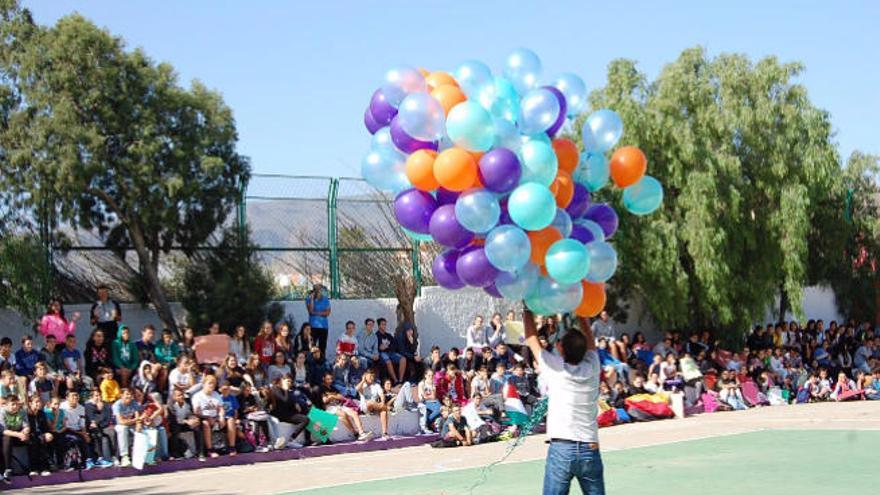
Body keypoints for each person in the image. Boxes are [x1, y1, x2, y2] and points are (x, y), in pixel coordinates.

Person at [523, 306, 604, 495]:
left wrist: (527, 308)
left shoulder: (555, 368)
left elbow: (530, 338)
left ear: (560, 348)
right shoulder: (593, 365)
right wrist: (582, 310)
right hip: (589, 447)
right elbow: (590, 341)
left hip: (562, 448)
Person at [318, 372, 372, 441]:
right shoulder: (321, 388)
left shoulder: (333, 387)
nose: (330, 381)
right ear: (324, 379)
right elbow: (325, 400)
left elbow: (342, 397)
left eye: (331, 379)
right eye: (328, 379)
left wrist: (332, 396)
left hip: (339, 405)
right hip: (330, 407)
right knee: (343, 414)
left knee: (354, 413)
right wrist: (335, 397)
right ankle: (355, 433)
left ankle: (362, 433)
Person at [192, 375, 236, 457]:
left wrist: (221, 417)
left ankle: (232, 447)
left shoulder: (216, 394)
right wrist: (208, 418)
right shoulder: (197, 396)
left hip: (216, 417)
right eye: (210, 383)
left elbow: (221, 408)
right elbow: (196, 412)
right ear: (204, 384)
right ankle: (210, 450)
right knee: (205, 424)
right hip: (204, 418)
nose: (212, 385)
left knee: (230, 420)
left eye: (214, 384)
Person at [0, 395, 37, 482]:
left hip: (19, 435)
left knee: (34, 439)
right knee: (7, 439)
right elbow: (3, 431)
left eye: (17, 404)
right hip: (7, 436)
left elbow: (26, 425)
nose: (15, 407)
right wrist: (18, 434)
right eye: (13, 404)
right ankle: (7, 469)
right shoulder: (2, 412)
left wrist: (25, 432)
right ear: (6, 405)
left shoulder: (22, 411)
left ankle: (34, 468)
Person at [167, 388, 203, 459]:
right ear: (174, 397)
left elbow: (190, 413)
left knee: (197, 427)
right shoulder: (171, 404)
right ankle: (175, 453)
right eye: (179, 395)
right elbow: (174, 419)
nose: (181, 397)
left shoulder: (187, 402)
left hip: (186, 423)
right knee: (175, 429)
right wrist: (187, 421)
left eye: (182, 395)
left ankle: (200, 451)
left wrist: (194, 419)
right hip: (175, 424)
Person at [84, 389, 117, 467]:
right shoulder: (88, 406)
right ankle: (99, 459)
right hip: (94, 428)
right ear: (91, 397)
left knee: (112, 432)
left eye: (99, 395)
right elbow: (92, 420)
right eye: (96, 396)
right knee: (96, 433)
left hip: (104, 426)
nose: (98, 397)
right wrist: (99, 411)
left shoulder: (105, 405)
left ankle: (114, 456)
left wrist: (101, 415)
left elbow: (108, 417)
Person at [356, 369, 390, 440]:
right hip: (365, 407)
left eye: (373, 376)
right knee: (371, 402)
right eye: (370, 376)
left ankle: (384, 433)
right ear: (365, 376)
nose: (372, 378)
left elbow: (382, 395)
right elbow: (357, 389)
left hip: (375, 407)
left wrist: (383, 402)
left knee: (383, 411)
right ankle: (382, 407)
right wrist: (363, 380)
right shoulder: (363, 385)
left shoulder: (376, 385)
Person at [112, 388, 142, 467]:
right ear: (121, 395)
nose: (129, 396)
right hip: (117, 425)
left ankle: (143, 456)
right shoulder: (117, 405)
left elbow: (138, 417)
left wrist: (138, 425)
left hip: (130, 423)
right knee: (122, 429)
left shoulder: (134, 403)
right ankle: (124, 456)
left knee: (143, 430)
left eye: (130, 394)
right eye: (127, 394)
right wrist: (135, 420)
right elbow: (121, 421)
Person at [25, 395, 55, 475]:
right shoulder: (27, 414)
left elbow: (45, 428)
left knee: (49, 438)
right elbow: (26, 427)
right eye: (36, 402)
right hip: (31, 434)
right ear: (30, 403)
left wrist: (47, 433)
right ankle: (34, 469)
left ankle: (47, 467)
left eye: (40, 402)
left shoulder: (41, 413)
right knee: (36, 441)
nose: (39, 404)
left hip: (40, 434)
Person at [305, 283, 331, 357]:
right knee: (312, 346)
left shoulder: (325, 299)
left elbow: (327, 313)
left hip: (324, 327)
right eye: (316, 289)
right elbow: (310, 311)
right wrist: (312, 299)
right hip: (313, 326)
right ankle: (311, 363)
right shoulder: (308, 299)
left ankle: (321, 363)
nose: (318, 291)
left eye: (320, 289)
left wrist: (315, 313)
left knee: (322, 347)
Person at [376, 318, 405, 384]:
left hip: (390, 352)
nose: (384, 326)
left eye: (385, 324)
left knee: (403, 359)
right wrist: (380, 348)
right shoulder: (376, 336)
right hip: (382, 353)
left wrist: (387, 347)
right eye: (383, 324)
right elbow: (377, 347)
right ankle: (395, 380)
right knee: (388, 361)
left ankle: (400, 380)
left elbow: (394, 345)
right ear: (379, 326)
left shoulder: (388, 335)